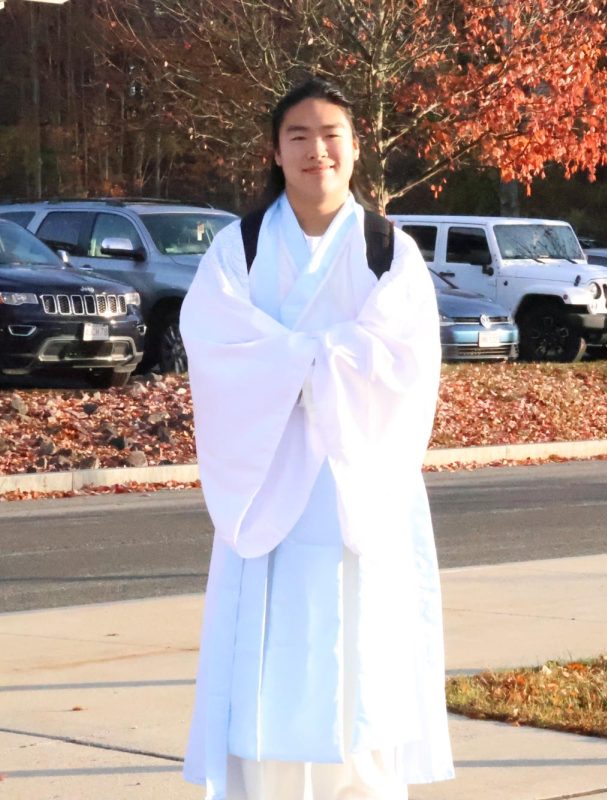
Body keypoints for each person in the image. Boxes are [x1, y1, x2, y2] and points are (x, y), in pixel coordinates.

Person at [179, 76, 454, 800]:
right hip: (266, 480)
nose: (316, 151)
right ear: (275, 150)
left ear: (356, 147)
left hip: (354, 478)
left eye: (331, 134)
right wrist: (319, 356)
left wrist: (296, 358)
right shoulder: (236, 248)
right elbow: (213, 342)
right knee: (265, 664)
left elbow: (406, 360)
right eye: (298, 136)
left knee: (357, 661)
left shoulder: (387, 250)